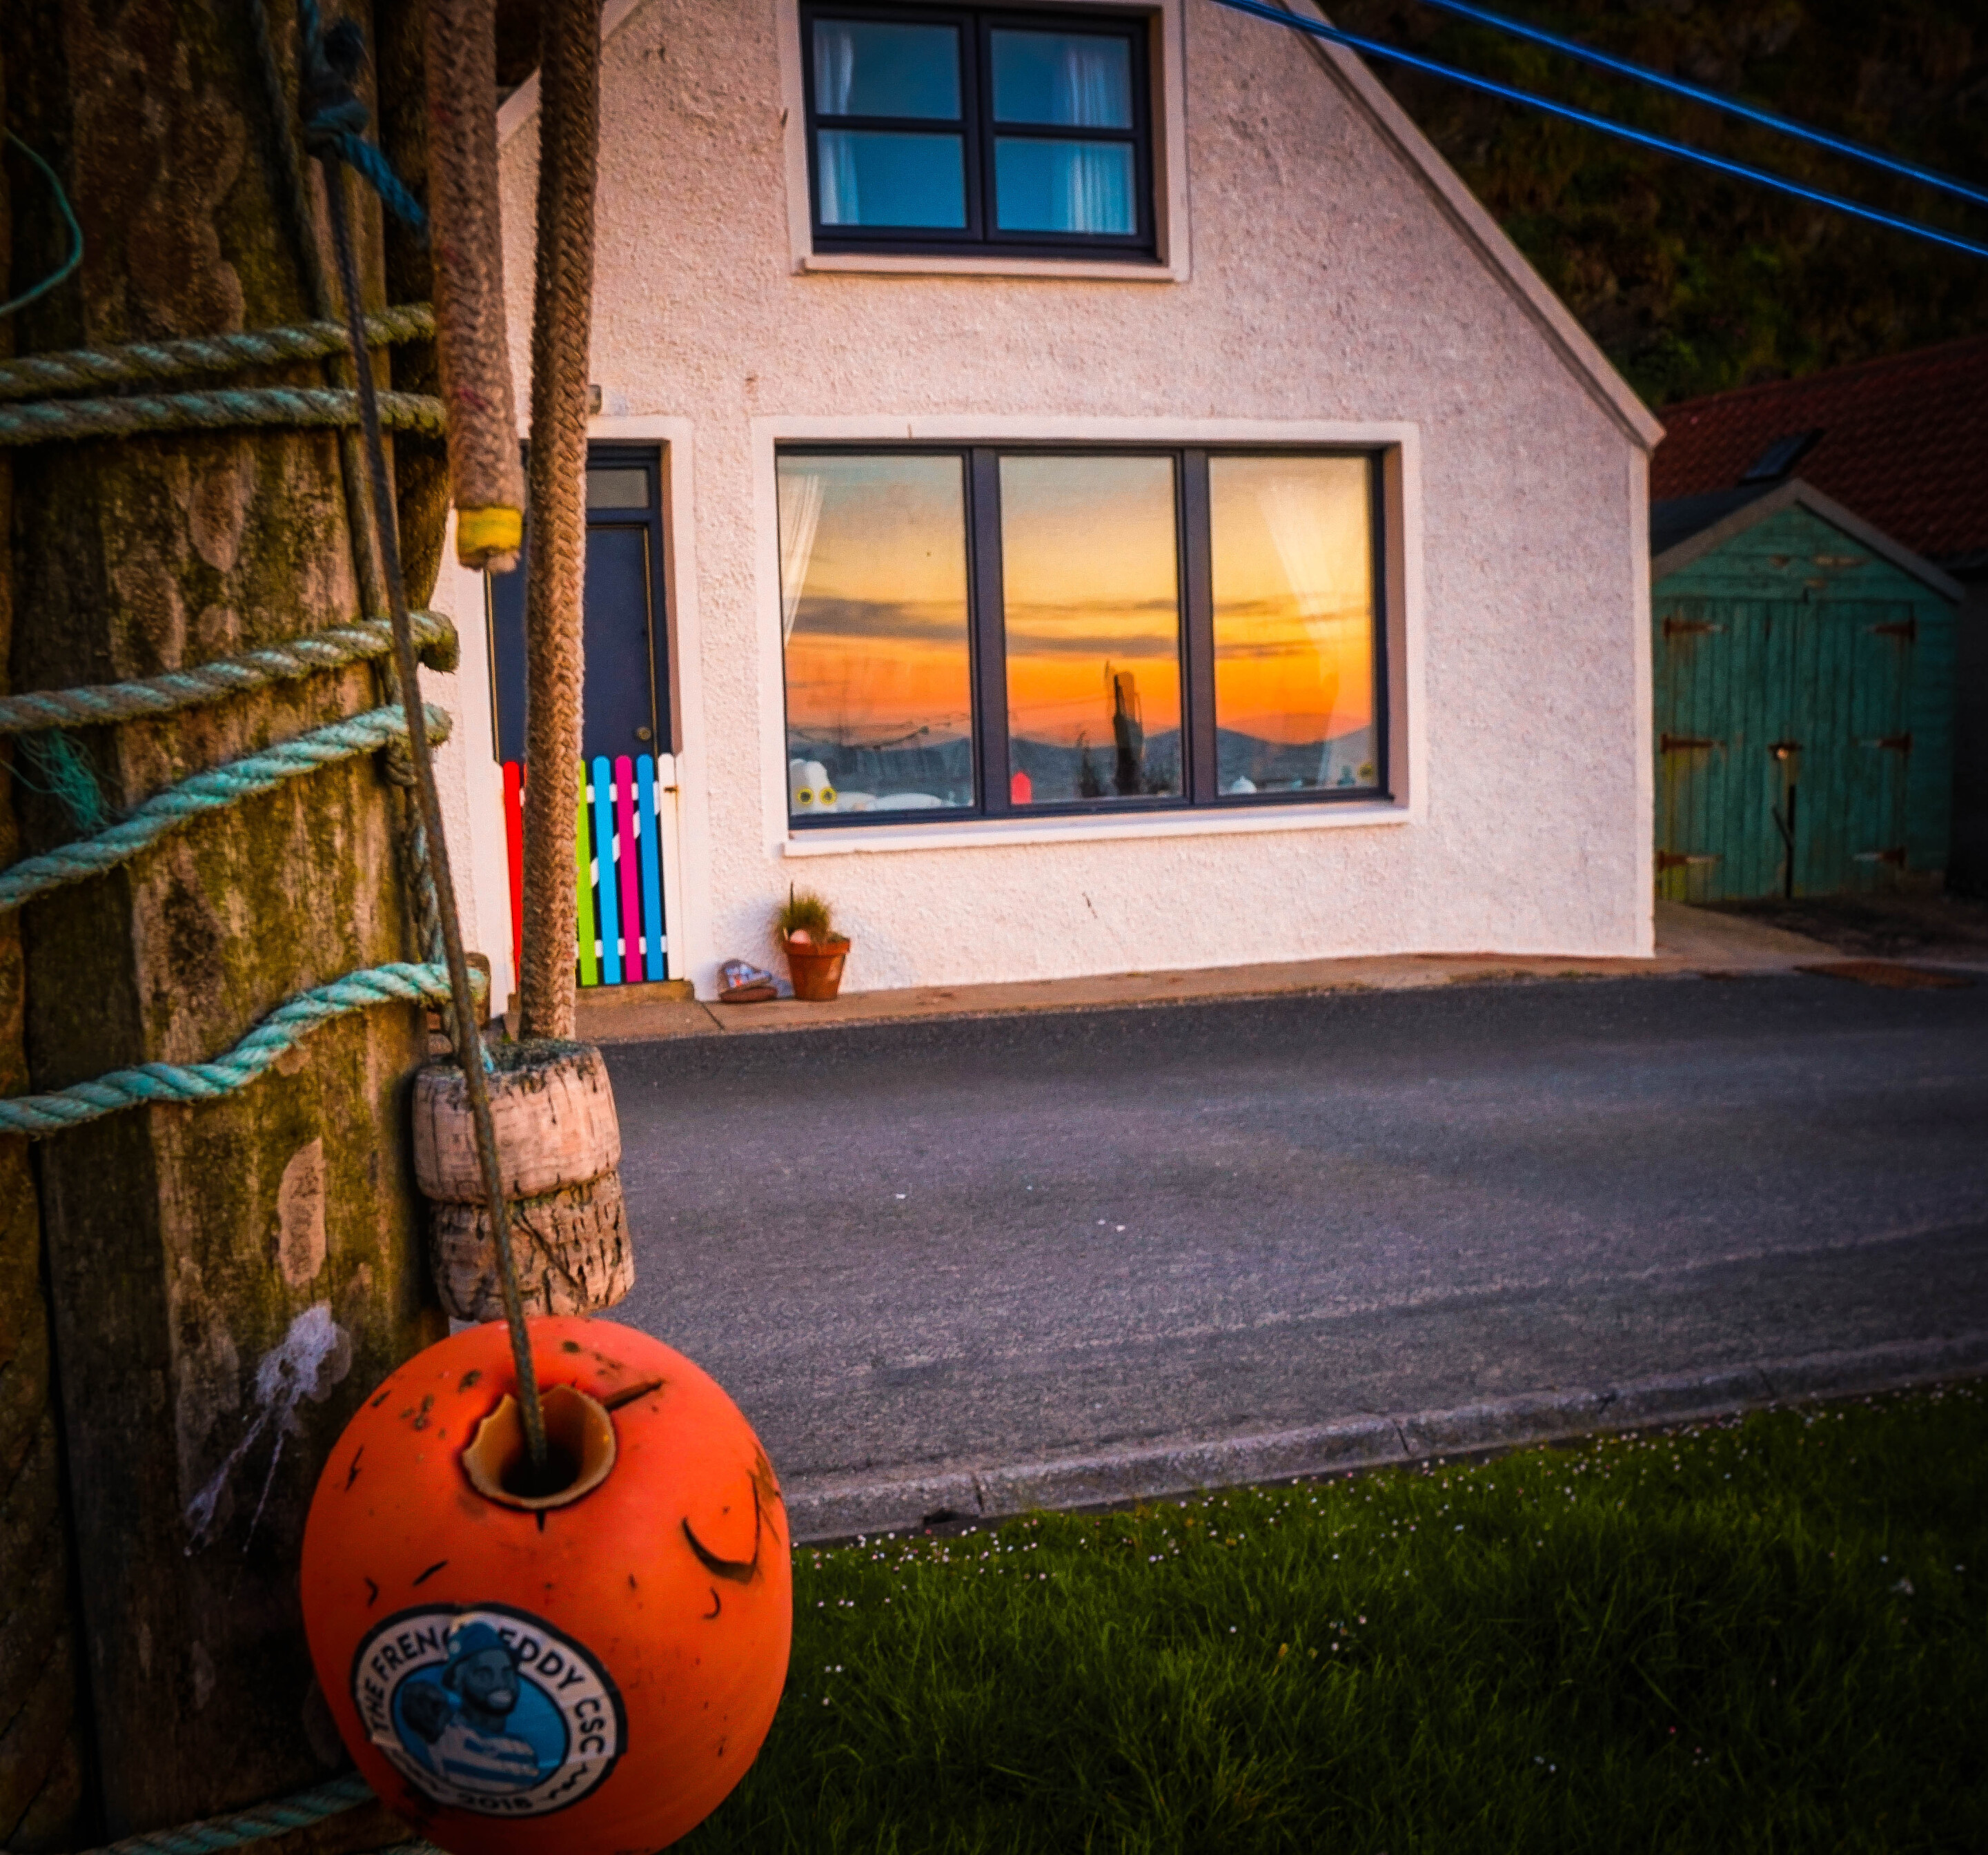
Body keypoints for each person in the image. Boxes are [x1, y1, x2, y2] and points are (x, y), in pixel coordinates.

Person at [402, 1622, 542, 1794]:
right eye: (484, 1673)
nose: (501, 1683)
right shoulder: (444, 1733)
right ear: (457, 1682)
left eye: (507, 1671)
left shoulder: (523, 1751)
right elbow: (416, 1697)